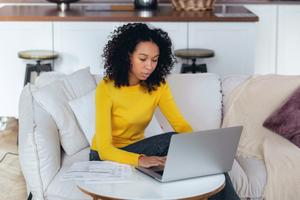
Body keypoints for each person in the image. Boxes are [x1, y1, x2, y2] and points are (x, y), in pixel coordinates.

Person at [90, 23, 239, 200]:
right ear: (128, 56)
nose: (149, 66)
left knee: (202, 160)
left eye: (154, 60)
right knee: (172, 139)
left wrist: (199, 148)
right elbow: (105, 149)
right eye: (143, 59)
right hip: (103, 156)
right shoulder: (106, 88)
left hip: (138, 149)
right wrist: (141, 159)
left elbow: (179, 124)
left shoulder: (158, 86)